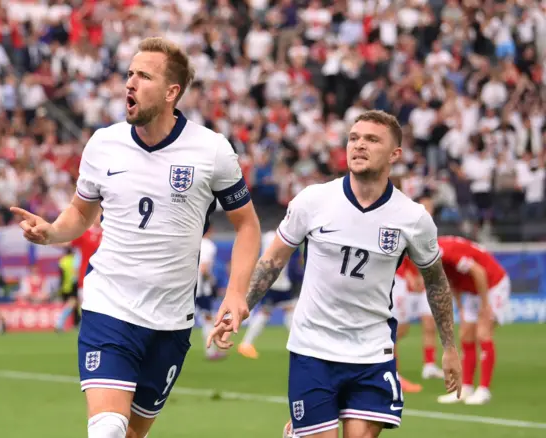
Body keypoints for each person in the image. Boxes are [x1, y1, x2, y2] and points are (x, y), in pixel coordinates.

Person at [11, 37, 261, 438]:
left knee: (131, 434)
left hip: (171, 321)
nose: (129, 83)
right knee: (107, 428)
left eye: (143, 76)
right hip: (109, 306)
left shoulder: (212, 151)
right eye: (129, 74)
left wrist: (236, 293)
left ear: (170, 92)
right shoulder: (103, 145)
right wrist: (53, 231)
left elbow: (248, 225)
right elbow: (81, 213)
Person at [209, 110, 461, 438]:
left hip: (372, 351)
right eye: (354, 138)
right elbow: (273, 261)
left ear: (395, 154)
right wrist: (241, 306)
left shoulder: (413, 219)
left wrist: (450, 347)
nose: (359, 145)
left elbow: (436, 281)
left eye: (372, 139)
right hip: (314, 348)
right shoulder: (314, 200)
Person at [435, 235, 509, 405]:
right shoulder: (431, 256)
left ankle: (483, 390)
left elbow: (479, 272)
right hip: (471, 289)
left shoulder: (446, 252)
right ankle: (465, 388)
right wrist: (460, 307)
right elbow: (450, 280)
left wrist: (485, 305)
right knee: (466, 335)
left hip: (493, 284)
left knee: (483, 333)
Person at [238, 229, 301, 359]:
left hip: (272, 280)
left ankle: (246, 343)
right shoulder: (287, 236)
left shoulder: (268, 236)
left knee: (278, 311)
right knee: (278, 311)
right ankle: (297, 344)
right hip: (278, 281)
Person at [391, 256, 444, 394]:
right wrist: (408, 274)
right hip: (400, 280)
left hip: (418, 281)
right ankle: (392, 375)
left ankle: (429, 365)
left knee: (428, 325)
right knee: (394, 329)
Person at [195, 225, 224, 360]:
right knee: (208, 319)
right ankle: (211, 352)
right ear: (210, 230)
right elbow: (204, 269)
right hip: (201, 289)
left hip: (186, 286)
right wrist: (212, 283)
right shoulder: (208, 245)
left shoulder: (193, 241)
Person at [54, 246, 79, 332]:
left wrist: (60, 287)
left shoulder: (63, 260)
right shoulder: (75, 259)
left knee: (74, 305)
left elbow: (61, 275)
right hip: (74, 285)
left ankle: (76, 324)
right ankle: (59, 323)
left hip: (65, 287)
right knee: (73, 304)